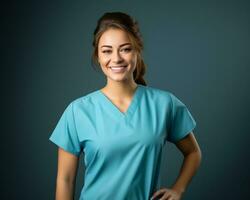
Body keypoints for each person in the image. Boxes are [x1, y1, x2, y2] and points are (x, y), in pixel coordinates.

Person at [49, 11, 202, 200]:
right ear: (97, 56)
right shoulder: (77, 111)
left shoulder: (164, 104)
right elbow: (65, 179)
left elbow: (193, 153)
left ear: (137, 51)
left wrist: (178, 189)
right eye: (107, 50)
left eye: (125, 49)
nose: (116, 58)